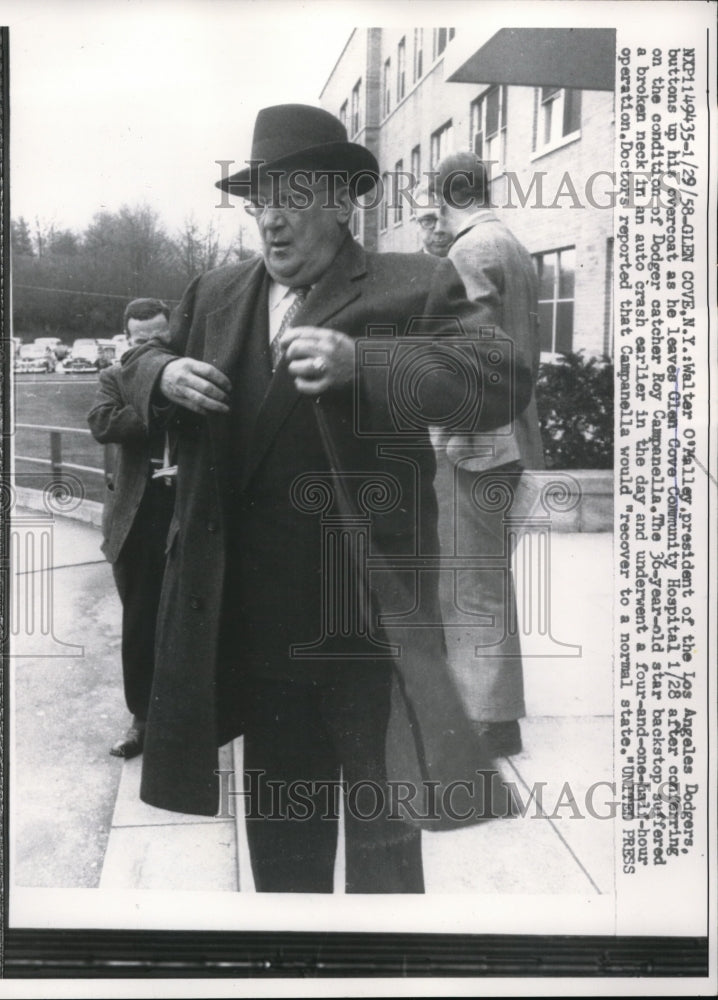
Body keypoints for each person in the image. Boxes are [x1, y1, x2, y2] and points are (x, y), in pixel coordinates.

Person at [120, 105, 533, 893]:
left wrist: (367, 365)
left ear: (343, 199)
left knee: (385, 865)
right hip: (257, 642)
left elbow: (498, 377)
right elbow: (133, 366)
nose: (270, 220)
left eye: (294, 196)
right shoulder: (215, 293)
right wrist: (159, 377)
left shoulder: (414, 282)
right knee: (282, 860)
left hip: (366, 642)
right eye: (259, 200)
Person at [429, 151, 545, 758]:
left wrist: (443, 434)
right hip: (512, 433)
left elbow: (466, 356)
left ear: (442, 192)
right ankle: (491, 708)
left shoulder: (469, 251)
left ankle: (489, 718)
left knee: (470, 579)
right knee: (485, 575)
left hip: (477, 442)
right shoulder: (513, 245)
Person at [87, 298, 175, 758]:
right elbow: (102, 422)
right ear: (127, 340)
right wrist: (158, 408)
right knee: (141, 621)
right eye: (141, 341)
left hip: (189, 510)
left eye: (160, 338)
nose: (151, 347)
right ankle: (142, 719)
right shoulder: (114, 377)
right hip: (138, 517)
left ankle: (199, 717)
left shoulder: (189, 371)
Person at [412, 182, 454, 258]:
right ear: (416, 224)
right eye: (428, 220)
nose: (439, 229)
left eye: (447, 218)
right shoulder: (404, 269)